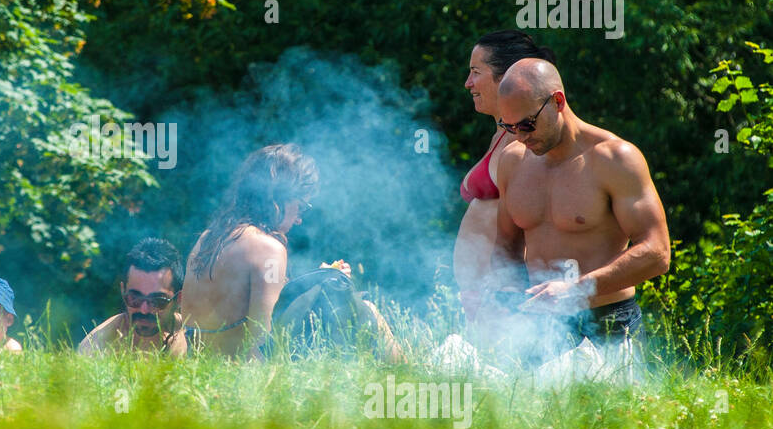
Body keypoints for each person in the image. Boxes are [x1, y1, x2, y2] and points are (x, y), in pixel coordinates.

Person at [491, 58, 670, 372]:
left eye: (527, 124)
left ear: (557, 101)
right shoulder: (512, 162)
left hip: (609, 326)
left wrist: (576, 290)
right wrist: (507, 293)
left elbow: (657, 253)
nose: (520, 135)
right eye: (509, 127)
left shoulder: (614, 158)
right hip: (540, 328)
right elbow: (506, 245)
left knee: (608, 422)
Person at [181, 144, 402, 360]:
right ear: (278, 199)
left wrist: (322, 281)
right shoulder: (267, 248)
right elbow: (266, 342)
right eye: (301, 205)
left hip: (199, 366)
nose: (299, 218)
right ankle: (408, 377)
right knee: (366, 310)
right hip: (237, 374)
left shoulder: (208, 237)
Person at [455, 31, 557, 324]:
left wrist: (506, 294)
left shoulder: (525, 145)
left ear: (506, 76)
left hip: (500, 300)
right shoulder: (501, 135)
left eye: (476, 72)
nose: (468, 83)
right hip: (481, 296)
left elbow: (533, 225)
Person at [78, 238, 187, 356]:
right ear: (123, 290)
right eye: (135, 299)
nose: (144, 310)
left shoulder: (193, 344)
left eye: (157, 301)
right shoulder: (96, 346)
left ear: (179, 298)